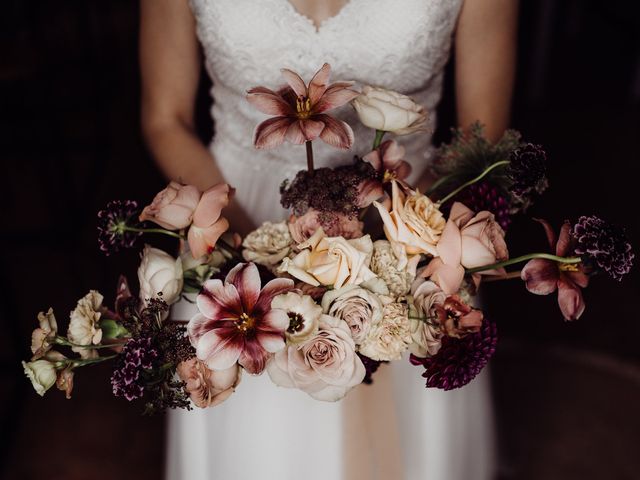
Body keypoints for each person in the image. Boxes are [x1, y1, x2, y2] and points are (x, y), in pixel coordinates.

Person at [140, 1, 518, 479]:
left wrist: (385, 252)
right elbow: (164, 117)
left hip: (408, 237)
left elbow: (481, 140)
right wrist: (250, 250)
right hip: (233, 226)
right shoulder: (236, 240)